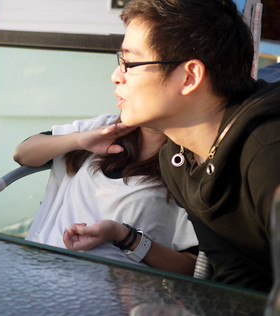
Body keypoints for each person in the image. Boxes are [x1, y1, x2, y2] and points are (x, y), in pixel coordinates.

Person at [114, 0, 280, 292]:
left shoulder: (268, 155)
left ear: (190, 77)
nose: (116, 75)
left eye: (131, 62)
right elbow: (236, 280)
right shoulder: (178, 159)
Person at [14, 114, 198, 275]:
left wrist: (124, 235)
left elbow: (192, 270)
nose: (118, 78)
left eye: (133, 71)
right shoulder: (105, 127)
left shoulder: (191, 165)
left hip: (112, 294)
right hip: (41, 270)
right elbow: (22, 154)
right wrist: (77, 140)